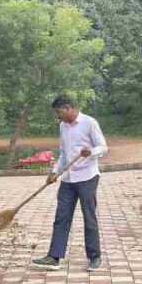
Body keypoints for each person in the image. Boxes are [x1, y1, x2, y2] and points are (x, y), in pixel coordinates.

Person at [31, 95, 109, 271]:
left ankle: (94, 257)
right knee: (61, 217)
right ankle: (54, 257)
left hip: (87, 177)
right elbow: (64, 154)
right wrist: (55, 172)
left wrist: (91, 151)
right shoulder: (63, 126)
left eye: (58, 112)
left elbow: (103, 147)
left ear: (68, 108)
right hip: (68, 179)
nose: (57, 116)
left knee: (89, 217)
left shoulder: (89, 123)